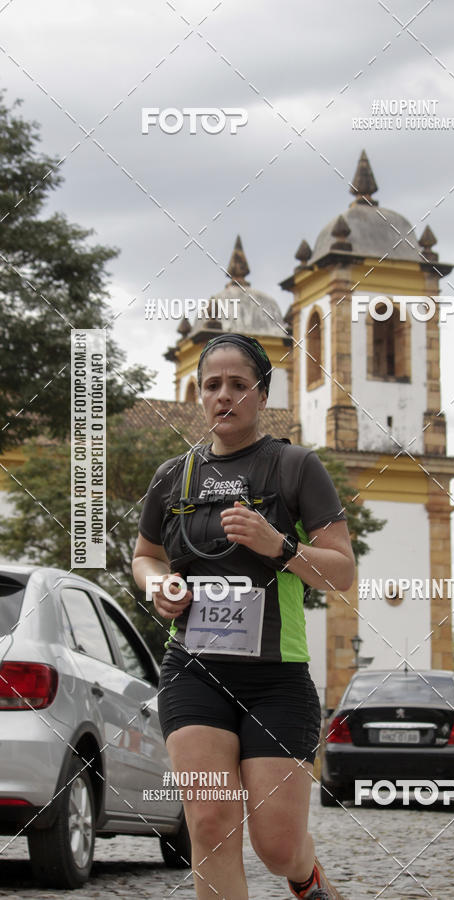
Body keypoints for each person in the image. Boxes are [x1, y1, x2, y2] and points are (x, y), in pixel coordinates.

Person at [132, 333, 355, 900]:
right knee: (209, 823)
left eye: (238, 384)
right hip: (193, 672)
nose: (223, 395)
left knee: (276, 845)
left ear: (262, 394)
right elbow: (145, 556)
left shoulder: (296, 467)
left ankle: (306, 875)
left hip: (276, 678)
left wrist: (280, 546)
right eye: (212, 385)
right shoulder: (172, 477)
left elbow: (342, 572)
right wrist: (160, 586)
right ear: (200, 395)